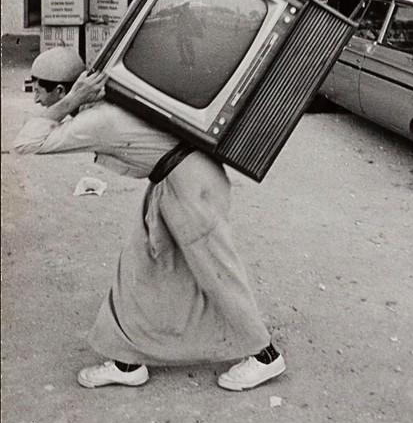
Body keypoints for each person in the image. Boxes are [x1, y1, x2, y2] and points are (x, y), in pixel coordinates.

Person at [14, 46, 285, 393]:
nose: (35, 98)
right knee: (139, 264)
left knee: (217, 271)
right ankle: (127, 361)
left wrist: (65, 107)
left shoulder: (95, 120)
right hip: (177, 179)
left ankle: (265, 356)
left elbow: (27, 143)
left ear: (62, 91)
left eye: (39, 89)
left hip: (190, 186)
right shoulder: (103, 105)